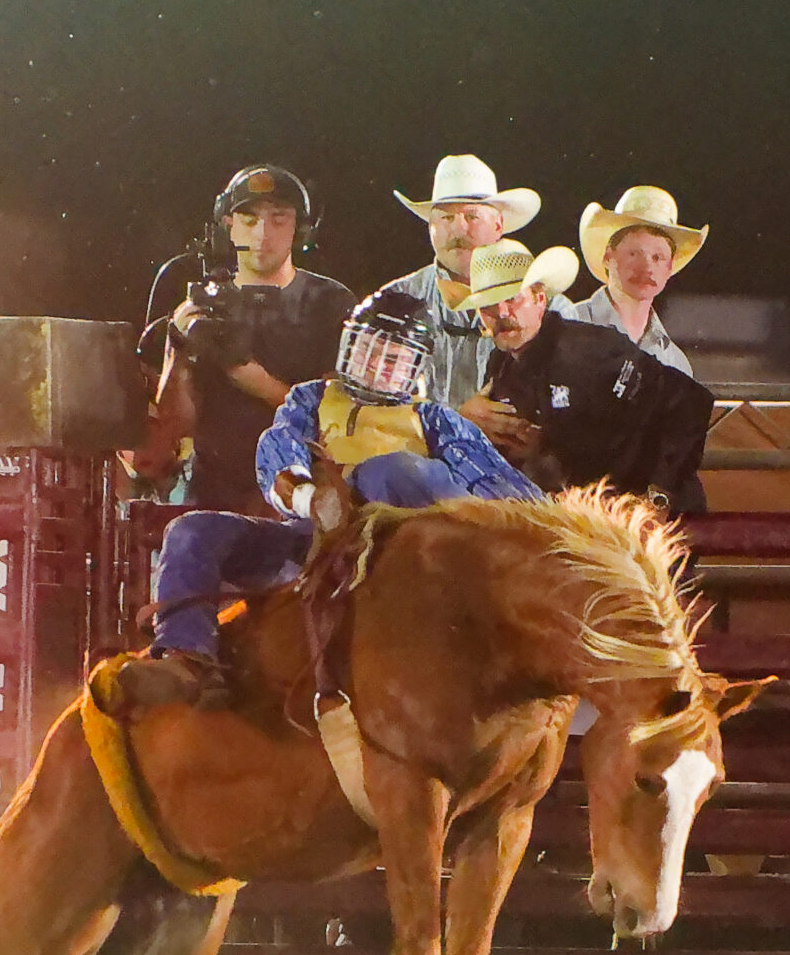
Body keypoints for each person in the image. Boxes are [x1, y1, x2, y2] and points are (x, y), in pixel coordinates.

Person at [116, 290, 539, 711]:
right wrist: (310, 499)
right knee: (192, 530)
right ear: (349, 345)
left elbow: (500, 484)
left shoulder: (434, 421)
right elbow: (280, 450)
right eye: (369, 351)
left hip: (412, 546)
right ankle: (185, 657)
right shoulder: (311, 399)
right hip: (315, 539)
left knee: (390, 470)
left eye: (392, 358)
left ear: (414, 369)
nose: (377, 366)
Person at [130, 166, 356, 517]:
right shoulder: (202, 301)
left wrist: (253, 379)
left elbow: (339, 425)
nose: (263, 233)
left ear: (300, 229)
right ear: (228, 225)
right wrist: (178, 349)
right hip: (211, 491)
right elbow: (173, 427)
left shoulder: (329, 302)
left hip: (303, 492)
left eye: (279, 219)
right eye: (249, 220)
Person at [462, 240, 714, 512]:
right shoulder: (501, 365)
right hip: (580, 518)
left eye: (512, 299)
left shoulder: (590, 349)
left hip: (643, 519)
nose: (501, 313)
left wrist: (658, 497)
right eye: (488, 305)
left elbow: (690, 400)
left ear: (539, 298)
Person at [380, 154, 541, 411]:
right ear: (430, 227)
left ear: (498, 225)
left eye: (472, 216)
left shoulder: (545, 305)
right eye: (446, 218)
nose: (457, 230)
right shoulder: (395, 303)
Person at [573, 186, 706, 376]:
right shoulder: (566, 328)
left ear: (669, 268)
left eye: (658, 257)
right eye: (634, 253)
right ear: (608, 256)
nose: (647, 267)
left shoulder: (674, 362)